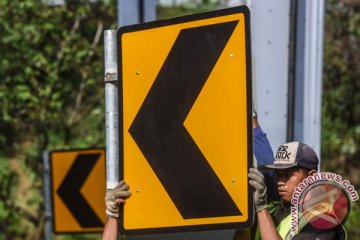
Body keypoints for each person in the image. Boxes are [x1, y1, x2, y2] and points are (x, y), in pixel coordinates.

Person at [247, 141, 347, 240]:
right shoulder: (270, 210)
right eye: (278, 175)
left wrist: (261, 207)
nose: (280, 182)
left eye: (287, 175)